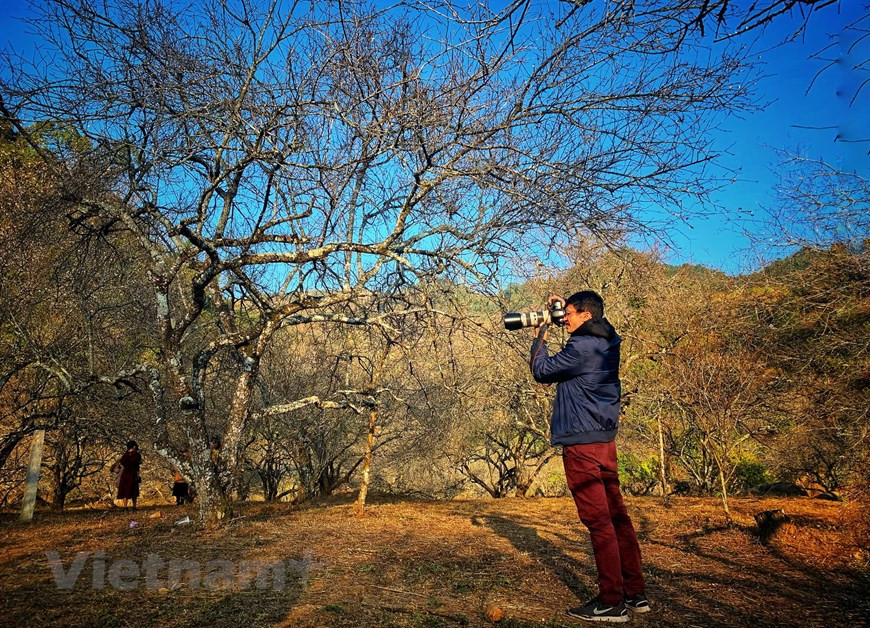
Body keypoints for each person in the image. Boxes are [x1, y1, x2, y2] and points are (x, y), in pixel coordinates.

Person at [530, 291, 649, 623]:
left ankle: (611, 601)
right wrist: (558, 305)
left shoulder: (581, 347)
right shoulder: (608, 340)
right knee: (617, 517)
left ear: (585, 315)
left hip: (582, 444)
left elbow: (541, 370)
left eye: (568, 313)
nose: (564, 318)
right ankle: (634, 593)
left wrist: (540, 331)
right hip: (604, 439)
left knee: (599, 521)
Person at [111, 440, 142, 509]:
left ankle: (125, 506)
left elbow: (122, 462)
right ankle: (134, 506)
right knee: (134, 490)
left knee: (125, 489)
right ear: (134, 446)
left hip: (125, 474)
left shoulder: (125, 455)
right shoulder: (137, 454)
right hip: (133, 473)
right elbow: (138, 462)